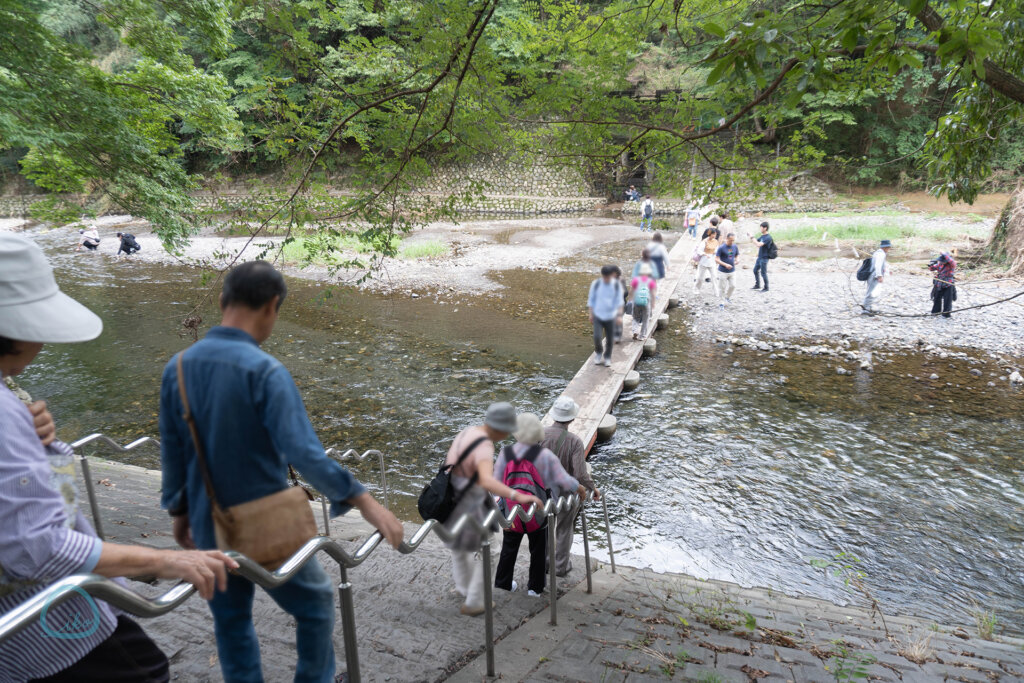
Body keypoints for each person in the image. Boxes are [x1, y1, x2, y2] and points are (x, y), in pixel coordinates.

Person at [0, 233, 238, 683]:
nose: (44, 344)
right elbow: (37, 547)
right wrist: (161, 560)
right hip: (49, 631)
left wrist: (39, 442)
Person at [159, 261, 404, 683]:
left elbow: (175, 451)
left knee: (231, 622)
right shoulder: (265, 371)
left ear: (222, 302)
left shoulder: (176, 369)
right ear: (272, 307)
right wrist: (365, 501)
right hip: (269, 523)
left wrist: (180, 513)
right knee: (315, 605)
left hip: (207, 521)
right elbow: (305, 454)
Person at [442, 403, 542, 615]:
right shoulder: (485, 445)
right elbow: (487, 481)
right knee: (491, 550)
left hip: (451, 498)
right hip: (472, 502)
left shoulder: (466, 433)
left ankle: (462, 587)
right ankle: (475, 599)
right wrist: (517, 495)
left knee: (462, 546)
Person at [493, 413, 583, 597]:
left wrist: (500, 512)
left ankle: (503, 584)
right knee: (539, 550)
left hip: (512, 512)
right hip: (538, 511)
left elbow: (496, 483)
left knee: (508, 549)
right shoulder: (545, 456)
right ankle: (535, 588)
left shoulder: (505, 453)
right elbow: (563, 479)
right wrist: (581, 488)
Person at [540, 397, 600, 577]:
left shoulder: (539, 434)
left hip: (542, 491)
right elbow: (580, 474)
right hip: (566, 493)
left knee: (545, 528)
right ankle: (560, 567)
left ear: (553, 415)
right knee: (564, 529)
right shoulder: (574, 441)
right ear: (572, 419)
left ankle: (543, 563)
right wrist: (593, 488)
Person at [587, 265, 623, 367]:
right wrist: (591, 314)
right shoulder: (596, 284)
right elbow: (591, 300)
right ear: (602, 276)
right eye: (605, 277)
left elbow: (619, 301)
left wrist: (619, 315)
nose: (607, 279)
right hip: (598, 315)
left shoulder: (616, 285)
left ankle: (607, 357)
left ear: (612, 275)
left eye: (609, 277)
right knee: (597, 336)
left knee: (610, 339)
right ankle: (599, 352)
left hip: (611, 316)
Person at [863, 239, 892, 315]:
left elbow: (883, 265)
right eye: (889, 247)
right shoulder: (881, 254)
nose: (889, 249)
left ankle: (868, 307)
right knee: (871, 292)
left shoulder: (879, 253)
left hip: (873, 275)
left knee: (873, 291)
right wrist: (879, 276)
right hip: (874, 275)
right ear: (886, 247)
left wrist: (888, 271)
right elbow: (878, 265)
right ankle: (866, 309)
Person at [630, 263, 657, 340]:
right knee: (645, 319)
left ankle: (635, 330)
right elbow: (653, 293)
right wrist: (653, 303)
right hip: (646, 301)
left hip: (636, 301)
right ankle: (642, 336)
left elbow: (631, 291)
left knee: (636, 317)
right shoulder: (651, 281)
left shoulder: (635, 280)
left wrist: (630, 299)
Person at [694, 221, 721, 295]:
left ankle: (716, 292)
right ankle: (696, 289)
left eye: (715, 234)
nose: (714, 236)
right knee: (700, 278)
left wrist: (716, 254)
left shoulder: (716, 241)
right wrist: (704, 254)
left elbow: (717, 249)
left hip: (712, 261)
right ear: (710, 234)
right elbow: (699, 250)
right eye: (713, 234)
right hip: (704, 261)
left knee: (714, 277)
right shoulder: (704, 241)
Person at [929, 251, 957, 318]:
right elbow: (933, 268)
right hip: (939, 283)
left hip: (948, 284)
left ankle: (946, 314)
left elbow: (951, 260)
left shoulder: (952, 264)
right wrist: (931, 266)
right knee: (937, 298)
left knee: (947, 300)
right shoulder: (940, 263)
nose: (940, 262)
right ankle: (936, 312)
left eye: (942, 261)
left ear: (946, 261)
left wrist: (943, 253)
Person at [715, 233, 739, 307]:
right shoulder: (721, 247)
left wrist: (737, 260)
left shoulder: (734, 246)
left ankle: (727, 297)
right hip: (722, 271)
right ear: (727, 238)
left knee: (733, 286)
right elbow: (716, 259)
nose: (732, 242)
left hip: (732, 271)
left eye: (733, 240)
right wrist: (725, 265)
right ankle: (721, 302)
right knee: (722, 287)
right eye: (731, 240)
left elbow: (737, 255)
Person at [751, 221, 772, 292]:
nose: (760, 229)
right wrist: (751, 237)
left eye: (761, 228)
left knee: (763, 273)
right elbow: (756, 241)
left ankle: (766, 287)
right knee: (755, 270)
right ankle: (757, 285)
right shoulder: (762, 236)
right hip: (760, 257)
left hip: (764, 258)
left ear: (765, 228)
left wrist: (752, 238)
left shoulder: (768, 237)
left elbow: (759, 244)